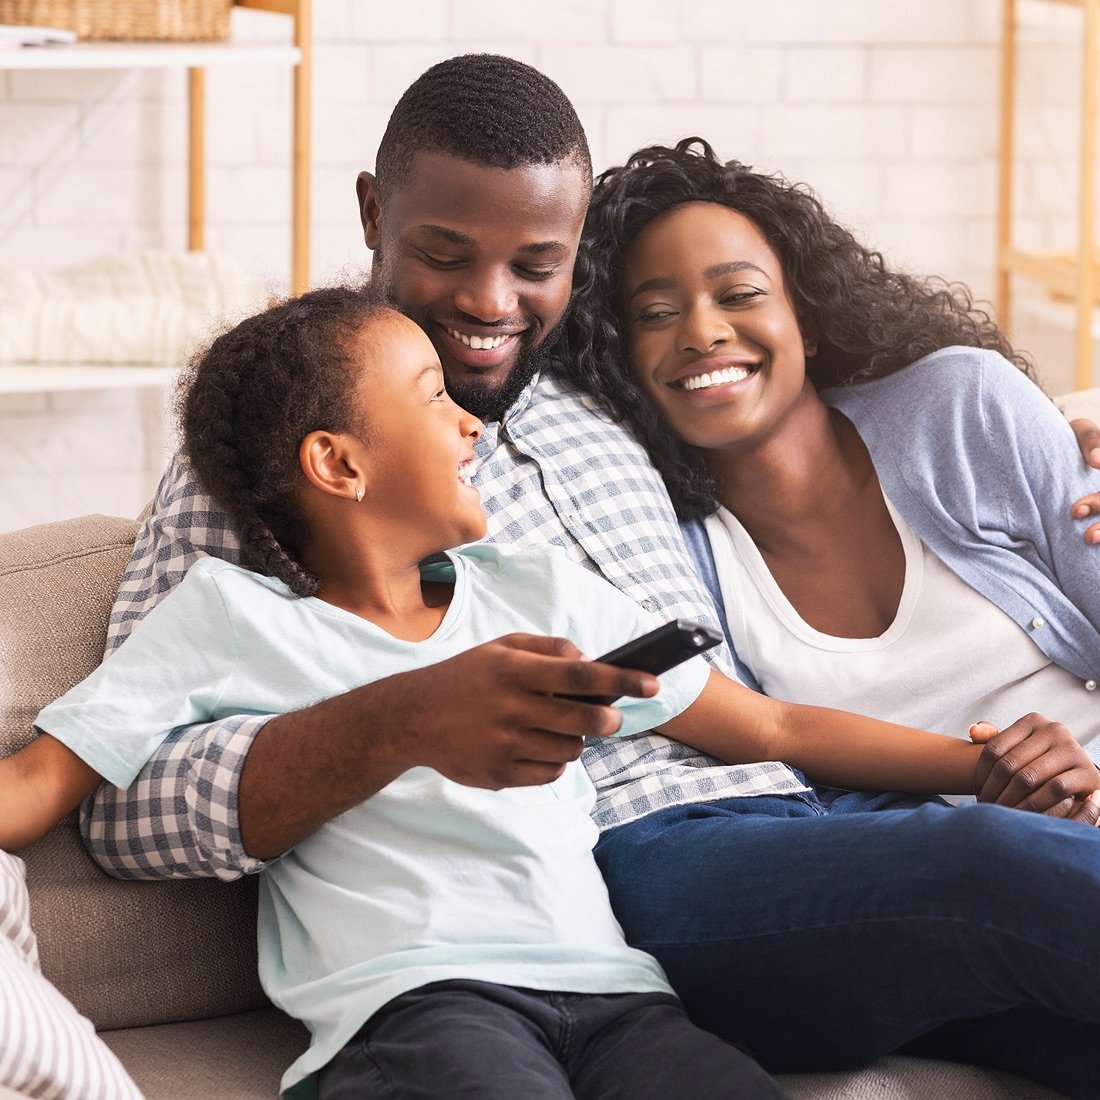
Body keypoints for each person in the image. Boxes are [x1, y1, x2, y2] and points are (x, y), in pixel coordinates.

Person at [79, 55, 1100, 1095]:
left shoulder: (608, 390)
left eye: (535, 263)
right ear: (373, 212)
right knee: (987, 862)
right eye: (445, 253)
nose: (490, 301)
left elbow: (792, 383)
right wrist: (396, 720)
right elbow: (118, 805)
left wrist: (1063, 436)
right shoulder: (285, 443)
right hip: (632, 870)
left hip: (809, 830)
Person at [566, 137, 1100, 755]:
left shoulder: (962, 408)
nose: (702, 333)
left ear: (808, 322)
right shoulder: (676, 559)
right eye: (655, 313)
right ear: (620, 358)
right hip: (959, 847)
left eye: (739, 295)